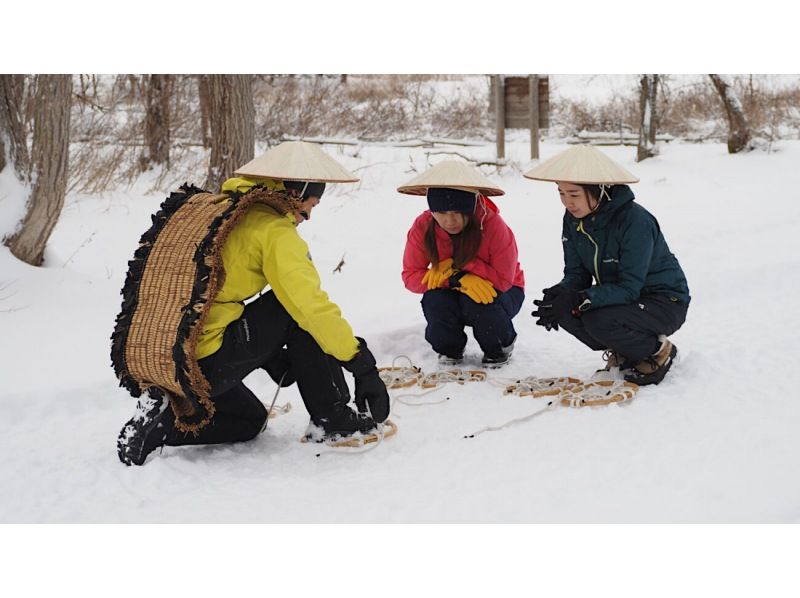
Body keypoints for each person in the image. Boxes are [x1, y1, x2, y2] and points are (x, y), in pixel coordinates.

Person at [114, 141, 390, 465]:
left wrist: (271, 357)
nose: (308, 217)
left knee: (249, 421)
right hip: (206, 360)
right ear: (296, 193)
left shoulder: (221, 210)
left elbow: (213, 294)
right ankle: (333, 418)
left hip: (171, 355)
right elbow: (311, 306)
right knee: (293, 310)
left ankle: (161, 425)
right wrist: (361, 364)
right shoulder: (274, 231)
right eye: (311, 205)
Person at [524, 145, 690, 385]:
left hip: (663, 301)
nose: (567, 202)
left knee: (597, 319)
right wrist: (562, 294)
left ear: (599, 190)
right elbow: (576, 274)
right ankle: (626, 351)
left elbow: (630, 287)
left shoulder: (635, 221)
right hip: (623, 301)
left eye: (574, 194)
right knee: (566, 310)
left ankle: (657, 350)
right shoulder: (573, 219)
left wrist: (582, 298)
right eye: (561, 193)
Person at [398, 161, 525, 367]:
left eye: (458, 212)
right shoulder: (423, 226)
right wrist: (454, 279)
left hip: (504, 292)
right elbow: (410, 276)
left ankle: (500, 346)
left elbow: (504, 281)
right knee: (434, 300)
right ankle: (450, 349)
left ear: (471, 207)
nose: (450, 220)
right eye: (441, 213)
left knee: (476, 302)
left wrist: (463, 267)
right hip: (452, 289)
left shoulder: (493, 225)